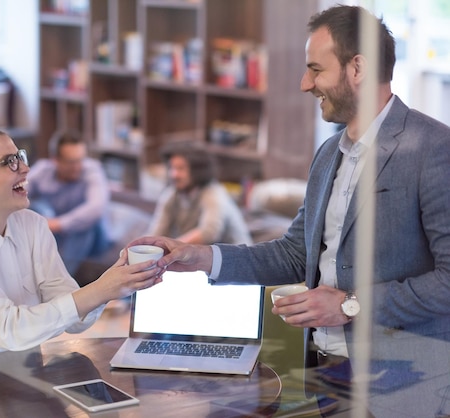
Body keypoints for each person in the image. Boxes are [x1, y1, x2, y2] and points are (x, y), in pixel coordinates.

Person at [130, 5, 450, 416]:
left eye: (316, 70)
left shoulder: (434, 149)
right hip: (327, 373)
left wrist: (349, 304)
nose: (304, 83)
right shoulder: (328, 154)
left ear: (358, 68)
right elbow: (294, 254)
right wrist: (202, 257)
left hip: (406, 387)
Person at [0, 128, 160, 417]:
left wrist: (114, 284)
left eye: (19, 156)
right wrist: (101, 289)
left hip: (21, 391)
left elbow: (75, 319)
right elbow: (8, 330)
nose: (25, 168)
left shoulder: (32, 225)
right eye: (9, 162)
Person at [26, 129, 110, 275]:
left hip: (94, 237)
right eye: (71, 162)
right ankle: (28, 270)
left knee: (84, 225)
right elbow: (16, 192)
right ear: (55, 160)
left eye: (81, 160)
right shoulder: (43, 170)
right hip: (62, 234)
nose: (78, 167)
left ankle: (62, 279)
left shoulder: (92, 170)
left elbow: (96, 208)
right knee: (32, 209)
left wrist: (57, 224)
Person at [147, 143, 252, 245]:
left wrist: (171, 248)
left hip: (234, 257)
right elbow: (157, 232)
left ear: (198, 171)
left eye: (181, 168)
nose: (174, 174)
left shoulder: (213, 193)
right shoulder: (171, 195)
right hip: (198, 257)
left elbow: (208, 233)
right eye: (171, 168)